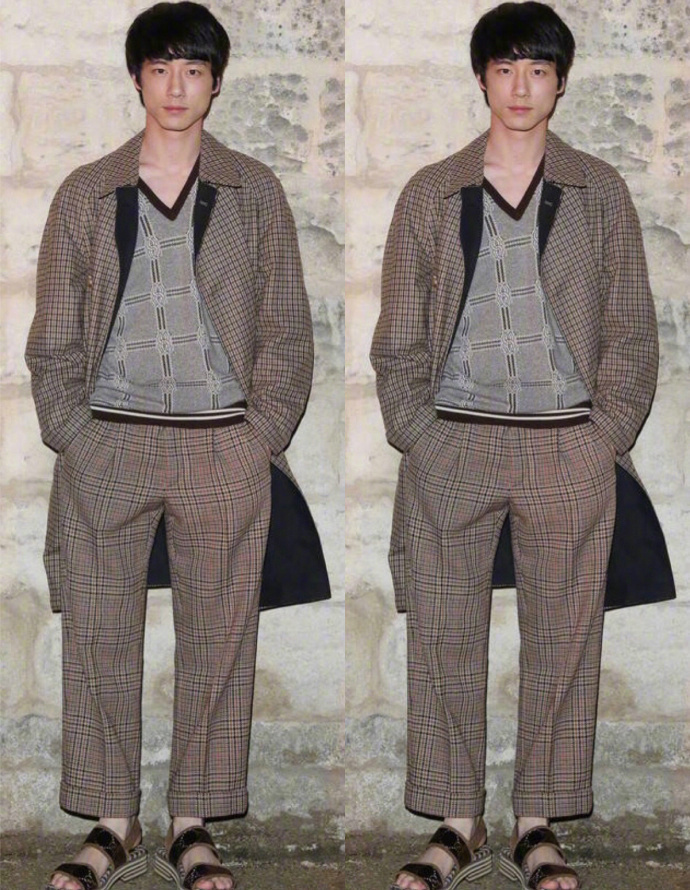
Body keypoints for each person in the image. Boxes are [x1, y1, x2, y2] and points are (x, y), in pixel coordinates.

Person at [370, 3, 675, 889]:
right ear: (481, 78)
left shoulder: (599, 190)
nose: (521, 86)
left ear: (561, 82)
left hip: (567, 446)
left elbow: (632, 332)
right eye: (505, 68)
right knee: (443, 633)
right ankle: (455, 821)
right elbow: (398, 341)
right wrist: (419, 435)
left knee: (564, 640)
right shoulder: (432, 191)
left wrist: (602, 438)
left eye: (538, 70)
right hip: (452, 445)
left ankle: (538, 822)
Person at [26, 3, 329, 889]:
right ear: (137, 79)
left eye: (193, 70)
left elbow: (287, 333)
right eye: (160, 68)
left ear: (216, 82)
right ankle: (111, 822)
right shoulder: (87, 192)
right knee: (98, 635)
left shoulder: (254, 190)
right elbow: (53, 342)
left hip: (222, 447)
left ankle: (194, 823)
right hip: (107, 445)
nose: (175, 86)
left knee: (219, 639)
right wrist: (75, 436)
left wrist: (259, 437)